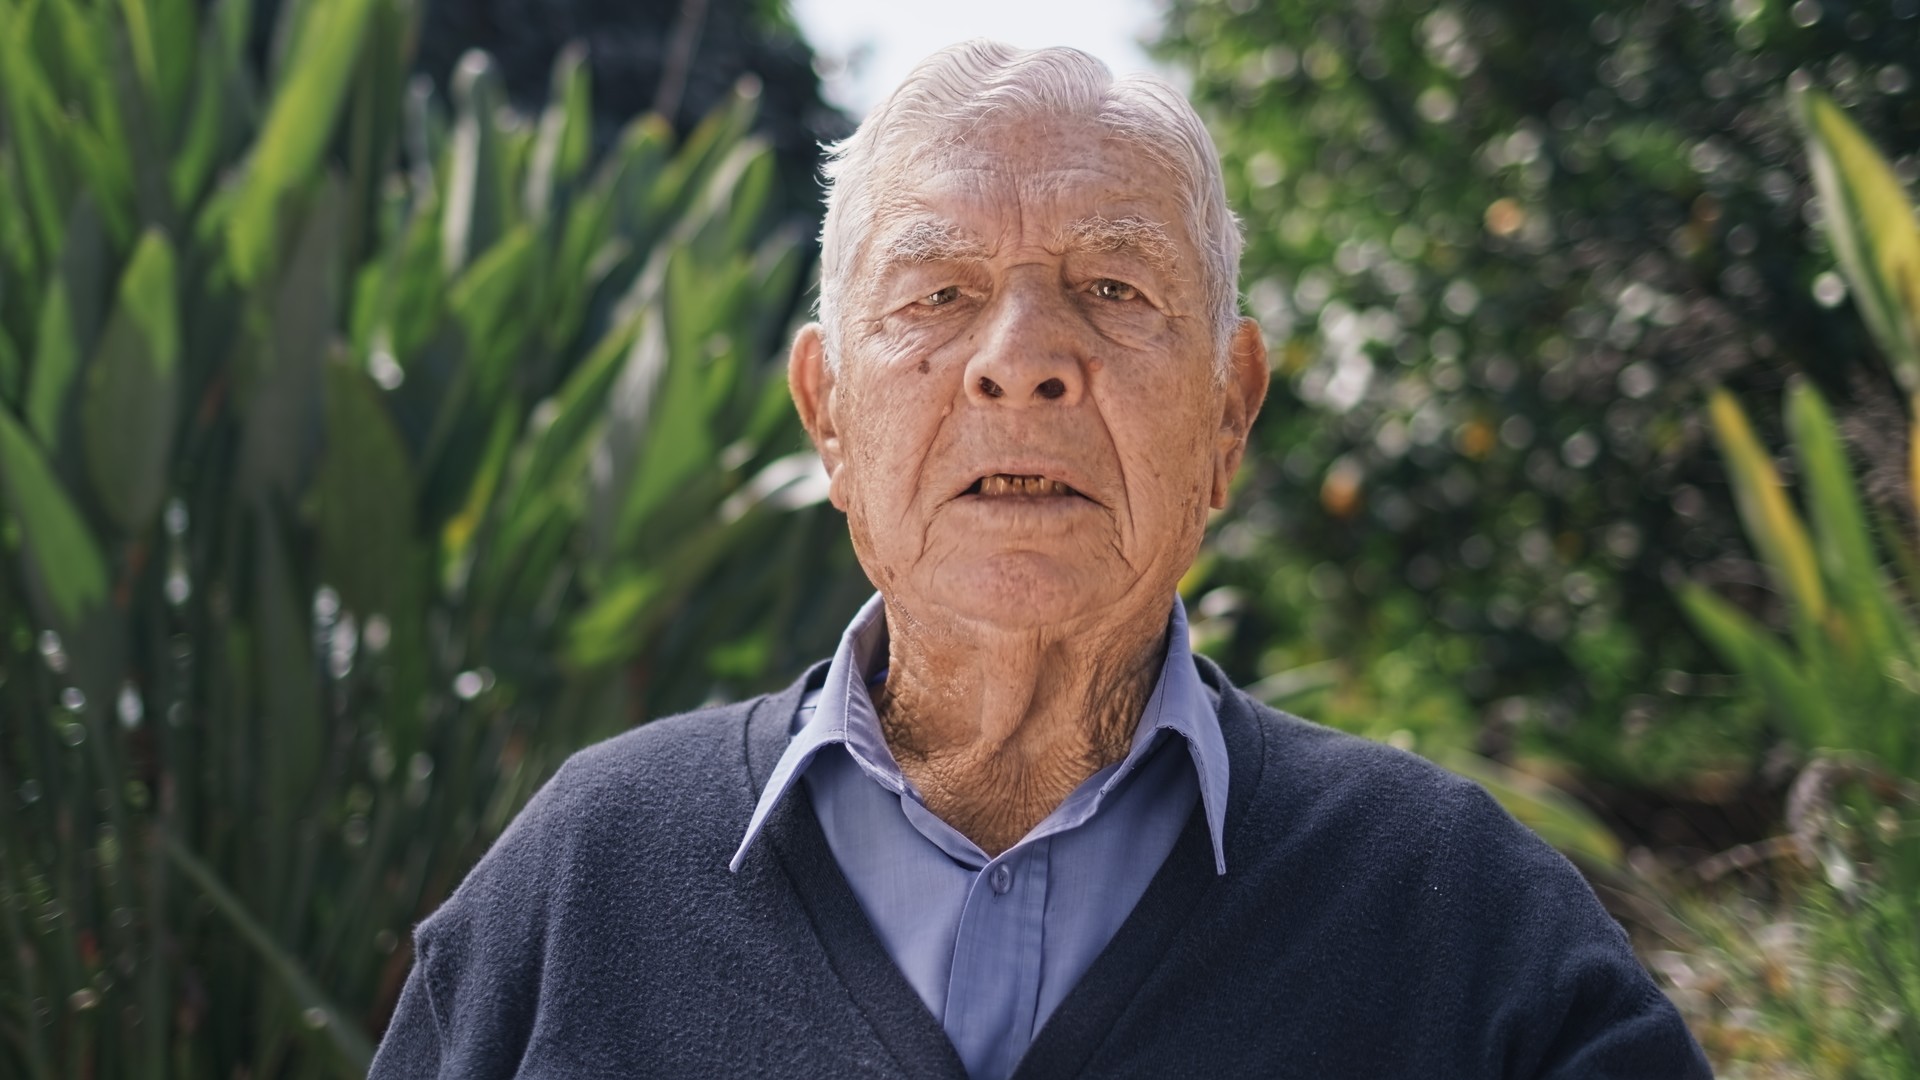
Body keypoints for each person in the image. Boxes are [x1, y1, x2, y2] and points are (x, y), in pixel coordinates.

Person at [369, 40, 1712, 1079]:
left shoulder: (1457, 914)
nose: (1021, 360)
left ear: (1230, 416)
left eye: (1115, 289)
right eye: (938, 294)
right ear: (828, 414)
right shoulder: (586, 883)